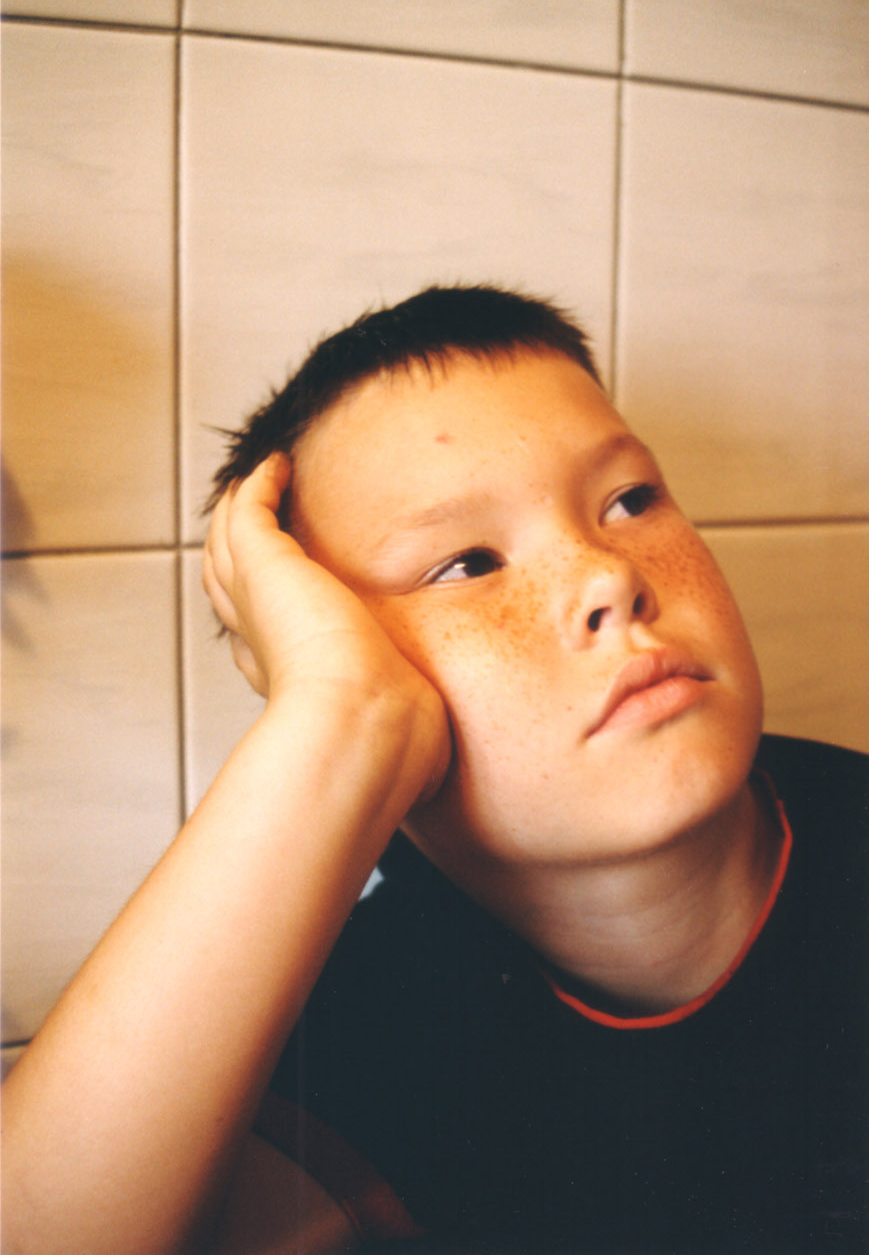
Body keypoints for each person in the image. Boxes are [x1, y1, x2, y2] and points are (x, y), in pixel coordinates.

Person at [3, 286, 865, 1254]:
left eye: (628, 500)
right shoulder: (365, 1029)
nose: (608, 575)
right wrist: (337, 717)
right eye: (466, 562)